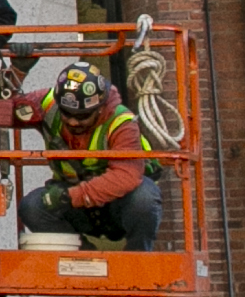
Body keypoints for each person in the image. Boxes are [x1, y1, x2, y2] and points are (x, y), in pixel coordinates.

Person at [26, 63, 165, 250]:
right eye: (67, 114)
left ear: (99, 108)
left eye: (82, 116)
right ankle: (84, 257)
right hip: (77, 201)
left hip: (119, 202)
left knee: (144, 198)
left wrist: (69, 196)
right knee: (33, 206)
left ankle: (137, 261)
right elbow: (4, 111)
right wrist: (19, 70)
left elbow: (125, 176)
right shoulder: (48, 102)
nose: (74, 122)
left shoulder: (121, 122)